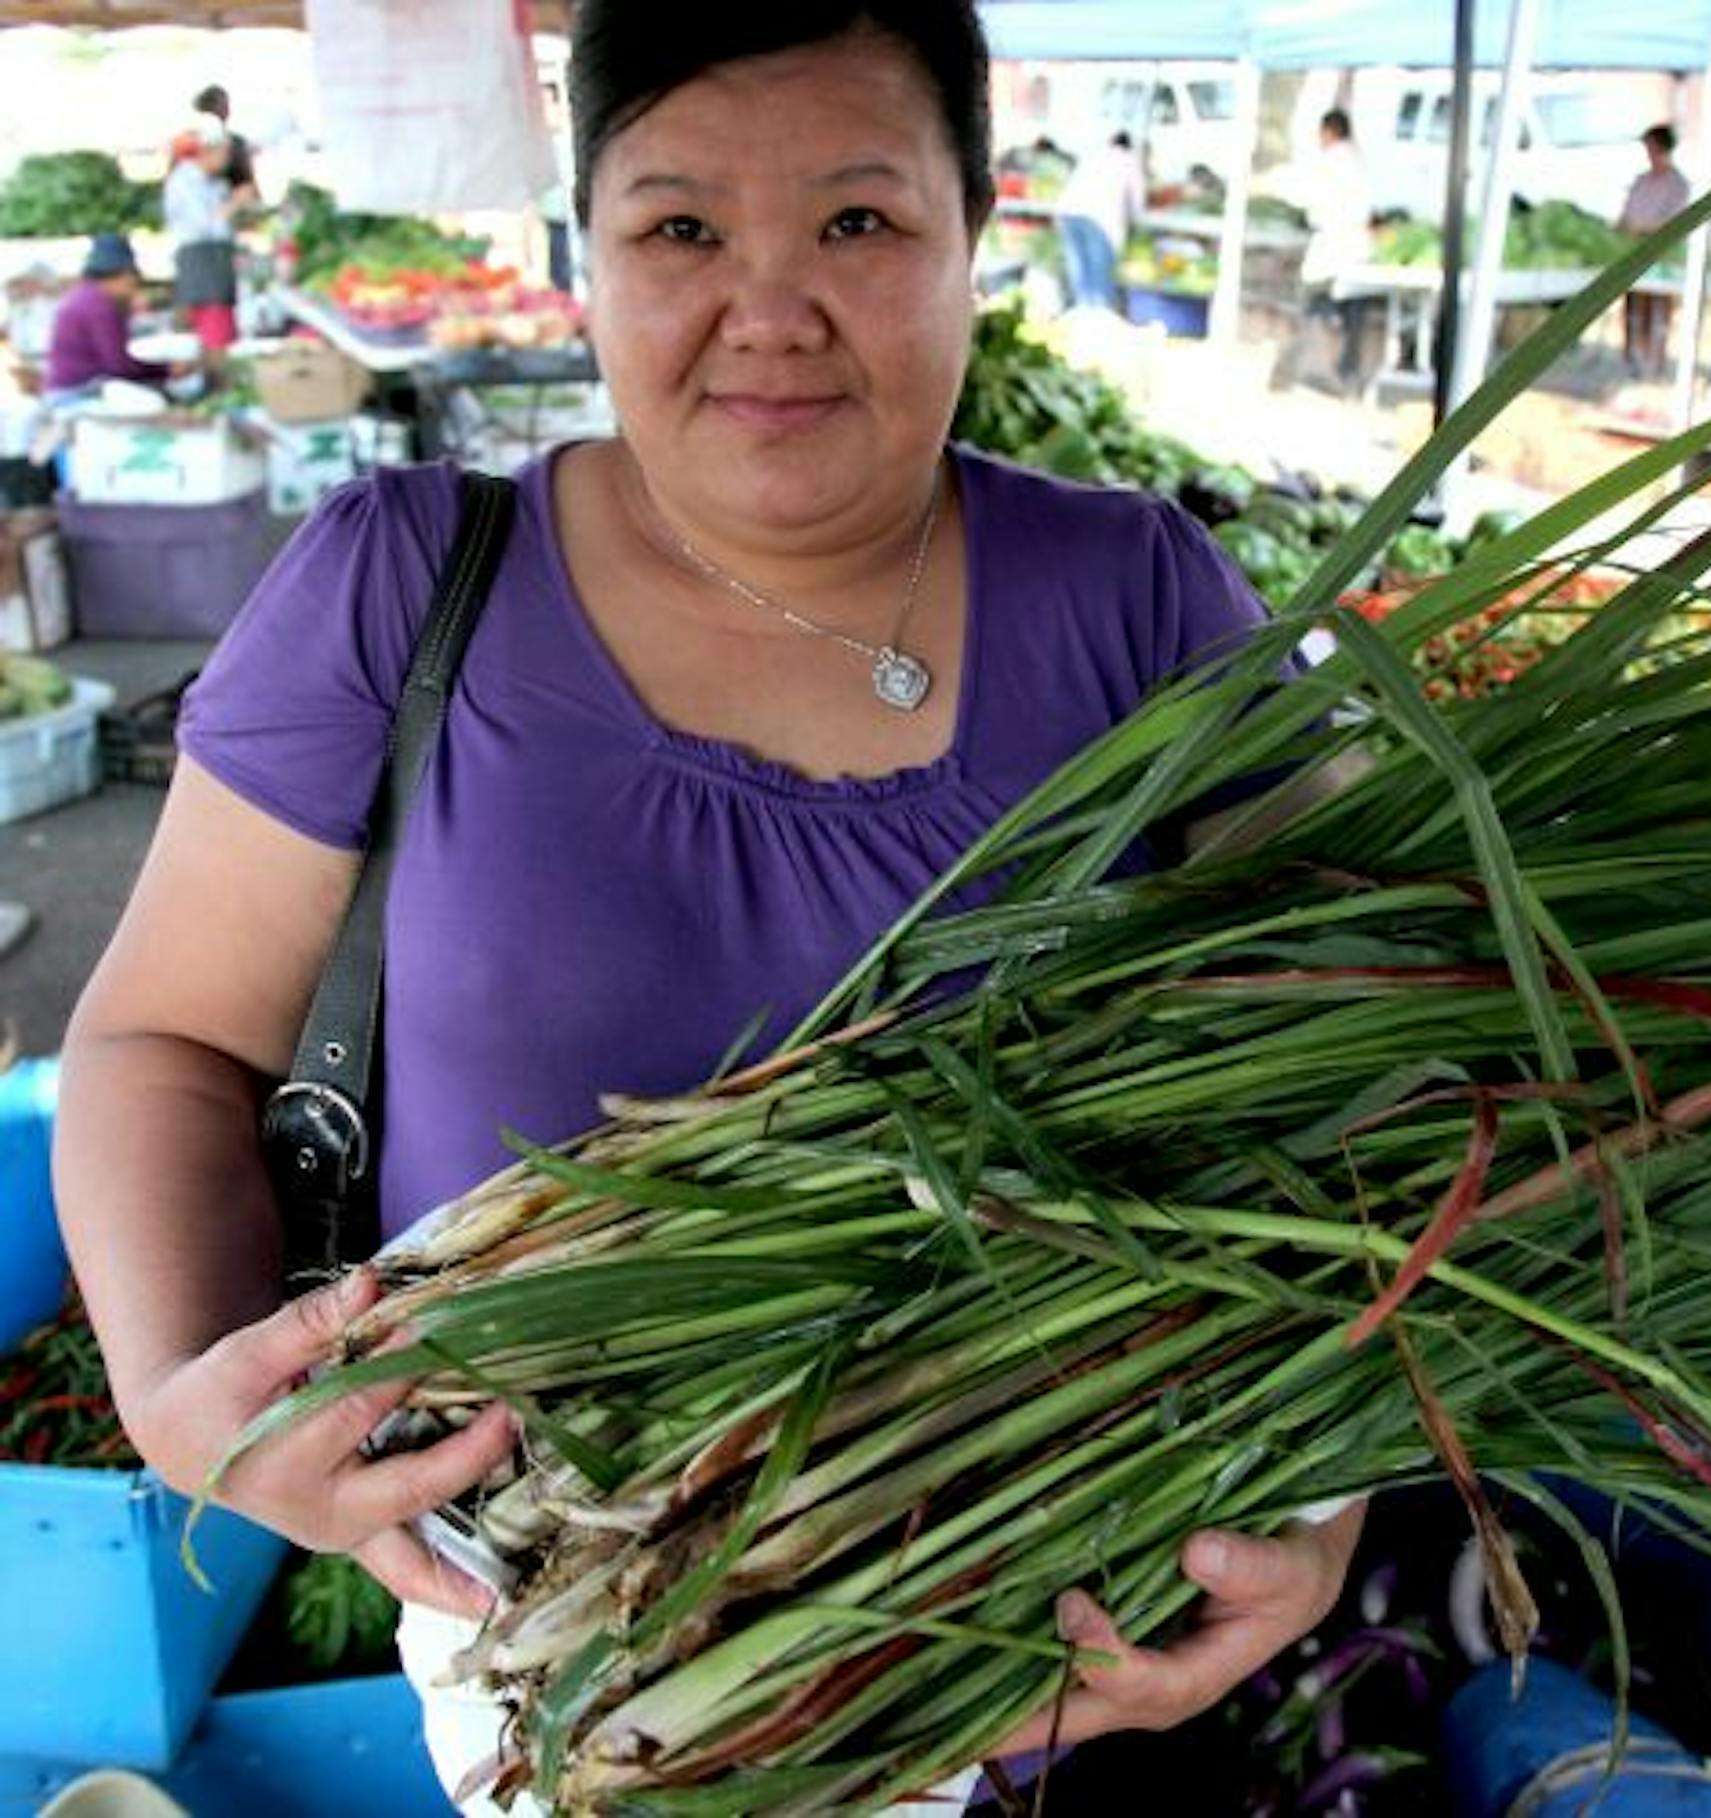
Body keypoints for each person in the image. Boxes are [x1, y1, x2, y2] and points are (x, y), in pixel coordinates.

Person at [55, 4, 1362, 1812]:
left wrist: (1323, 1492)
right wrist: (184, 1395)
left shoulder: (1146, 599)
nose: (770, 310)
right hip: (554, 1659)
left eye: (858, 223)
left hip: (1018, 1633)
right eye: (681, 229)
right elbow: (163, 1039)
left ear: (976, 224)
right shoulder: (402, 581)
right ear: (582, 246)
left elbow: (1379, 1066)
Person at [1294, 108, 1376, 395]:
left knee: (1323, 309)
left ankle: (1327, 372)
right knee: (1354, 317)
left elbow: (1314, 210)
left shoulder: (1329, 162)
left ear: (1329, 131)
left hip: (1333, 247)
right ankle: (1348, 373)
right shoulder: (1359, 159)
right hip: (1357, 247)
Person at [40, 234, 174, 409]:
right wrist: (167, 370)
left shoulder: (83, 295)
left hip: (67, 390)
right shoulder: (99, 306)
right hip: (77, 394)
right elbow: (119, 366)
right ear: (123, 275)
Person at [162, 124, 240, 364]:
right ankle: (217, 376)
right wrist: (235, 203)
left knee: (220, 324)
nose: (227, 160)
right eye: (223, 153)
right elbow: (205, 225)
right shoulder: (184, 181)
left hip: (213, 258)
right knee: (213, 327)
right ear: (206, 152)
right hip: (202, 259)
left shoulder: (210, 183)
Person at [1617, 124, 1689, 376]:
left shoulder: (1678, 184)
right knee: (1632, 309)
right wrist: (1623, 228)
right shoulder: (1640, 181)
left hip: (1661, 255)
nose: (1648, 152)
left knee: (1657, 310)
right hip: (1633, 252)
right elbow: (1625, 216)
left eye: (1651, 147)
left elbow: (1675, 221)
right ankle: (1633, 360)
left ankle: (1654, 362)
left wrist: (1643, 228)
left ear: (1662, 148)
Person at [1054, 130, 1144, 310]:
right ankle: (1100, 319)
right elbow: (1137, 197)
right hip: (1099, 217)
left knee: (1079, 270)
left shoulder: (1093, 155)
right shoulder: (1129, 159)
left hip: (1068, 212)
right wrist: (1135, 219)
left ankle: (1083, 314)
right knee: (1100, 273)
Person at [192, 83, 259, 204]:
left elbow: (248, 178)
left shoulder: (238, 141)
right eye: (223, 105)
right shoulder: (195, 143)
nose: (227, 109)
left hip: (239, 204)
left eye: (227, 104)